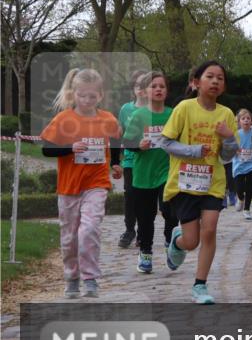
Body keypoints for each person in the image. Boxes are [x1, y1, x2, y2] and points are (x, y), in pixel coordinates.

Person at [160, 60, 238, 304]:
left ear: (224, 86)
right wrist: (193, 150)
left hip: (213, 183)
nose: (215, 81)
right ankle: (178, 241)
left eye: (220, 78)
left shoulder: (226, 115)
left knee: (210, 229)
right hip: (184, 183)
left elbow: (227, 156)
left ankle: (200, 285)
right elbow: (165, 142)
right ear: (196, 82)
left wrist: (229, 138)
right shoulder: (184, 108)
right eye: (210, 77)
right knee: (191, 241)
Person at [41, 68, 123, 298]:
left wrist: (116, 163)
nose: (87, 100)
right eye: (82, 95)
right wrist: (70, 148)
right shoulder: (63, 119)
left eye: (92, 96)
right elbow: (47, 149)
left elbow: (116, 140)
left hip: (96, 183)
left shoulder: (107, 118)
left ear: (101, 95)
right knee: (69, 238)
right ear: (73, 94)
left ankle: (90, 278)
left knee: (89, 229)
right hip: (69, 187)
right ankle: (72, 277)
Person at [121, 71, 177, 274]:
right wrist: (139, 145)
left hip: (168, 171)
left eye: (162, 86)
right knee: (145, 217)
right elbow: (127, 141)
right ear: (145, 91)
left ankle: (170, 244)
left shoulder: (173, 114)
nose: (158, 89)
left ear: (167, 91)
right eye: (154, 86)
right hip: (143, 174)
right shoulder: (139, 115)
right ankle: (145, 252)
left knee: (170, 211)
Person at [117, 69, 147, 248]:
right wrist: (115, 161)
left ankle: (143, 230)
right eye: (138, 85)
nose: (141, 89)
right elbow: (119, 135)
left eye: (145, 85)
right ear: (133, 88)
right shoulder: (125, 109)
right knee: (130, 196)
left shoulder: (155, 109)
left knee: (145, 198)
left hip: (150, 161)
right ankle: (129, 230)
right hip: (130, 160)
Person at [232, 109, 252, 220]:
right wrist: (236, 150)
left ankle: (247, 210)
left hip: (251, 164)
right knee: (239, 188)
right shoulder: (236, 134)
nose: (246, 120)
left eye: (248, 118)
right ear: (239, 121)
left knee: (249, 187)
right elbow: (230, 147)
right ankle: (240, 198)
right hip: (238, 164)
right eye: (243, 119)